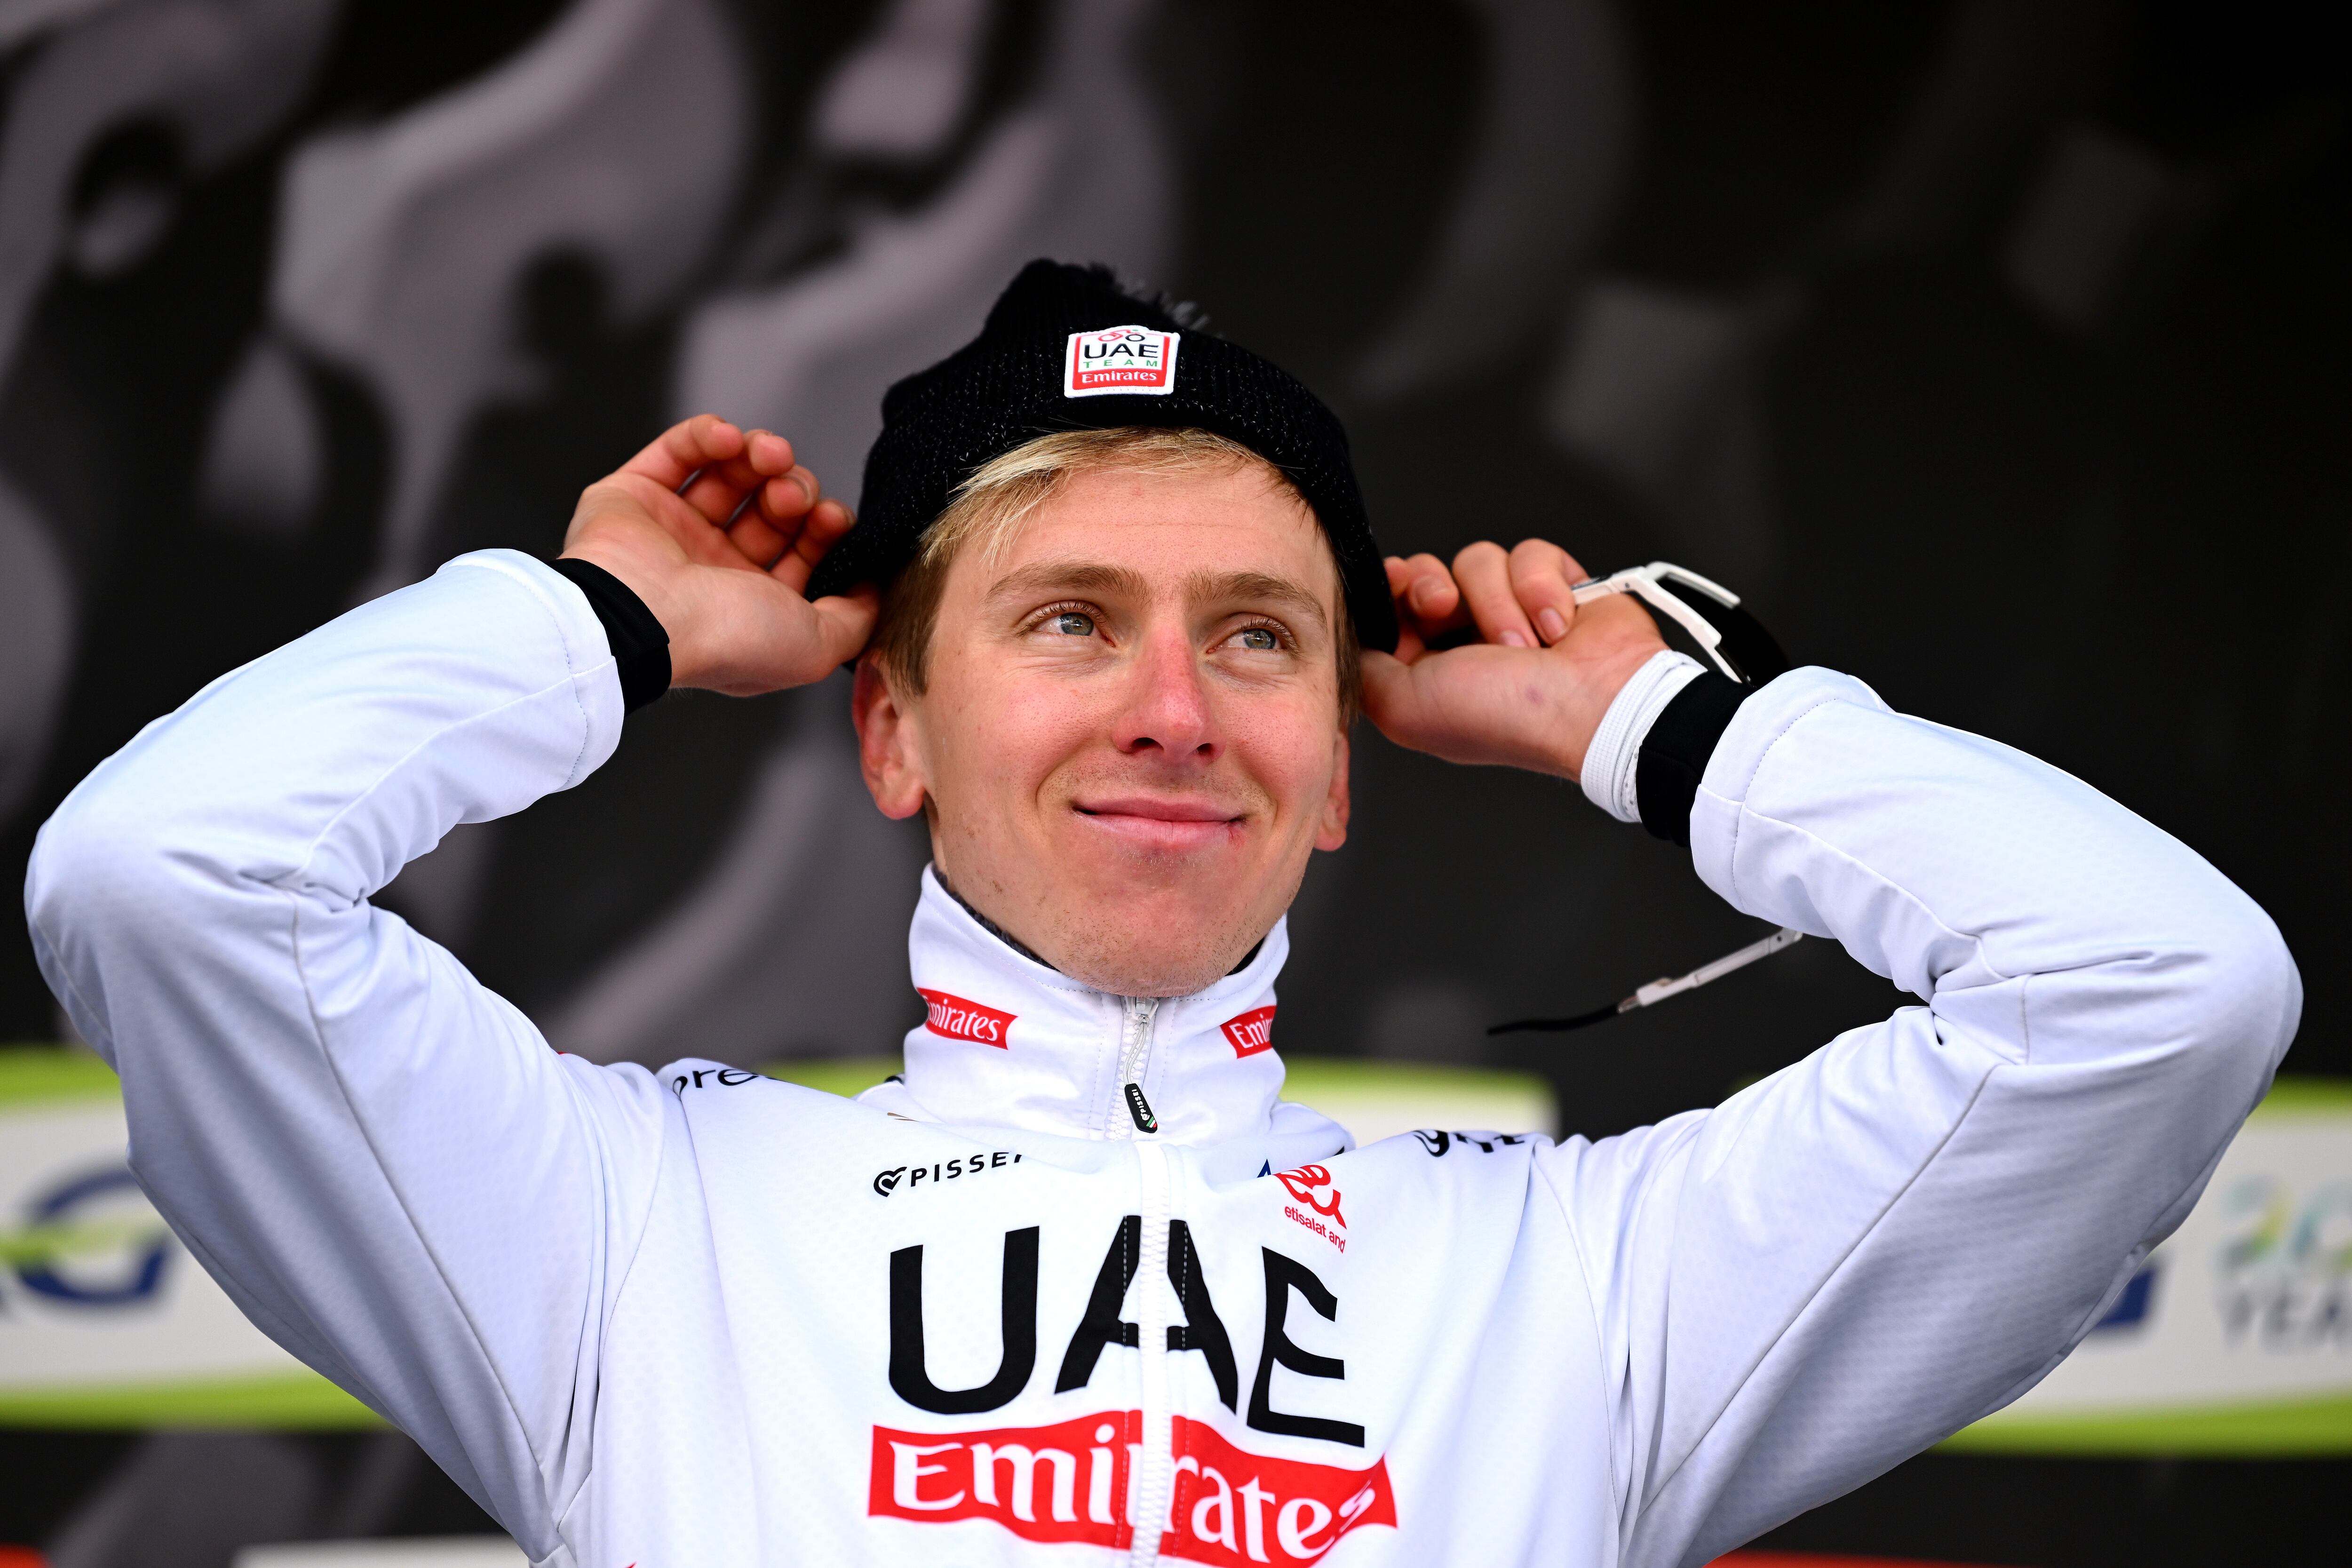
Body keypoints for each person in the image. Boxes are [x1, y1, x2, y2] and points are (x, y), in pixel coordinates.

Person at [27, 262, 2297, 1568]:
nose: (1170, 710)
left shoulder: (1579, 1284)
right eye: (1068, 619)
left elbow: (2160, 992)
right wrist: (592, 624)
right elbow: (165, 877)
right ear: (890, 729)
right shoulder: (624, 1231)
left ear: (1332, 773)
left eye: (1254, 637)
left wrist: (1661, 734)